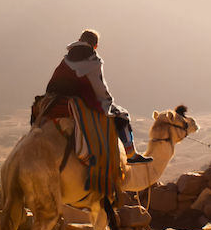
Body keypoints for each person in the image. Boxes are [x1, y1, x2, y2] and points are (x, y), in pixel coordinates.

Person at [45, 29, 152, 163]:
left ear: (79, 40)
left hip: (52, 99)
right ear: (95, 45)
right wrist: (108, 100)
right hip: (78, 99)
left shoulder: (67, 58)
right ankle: (130, 154)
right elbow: (99, 87)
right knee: (122, 116)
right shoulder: (93, 60)